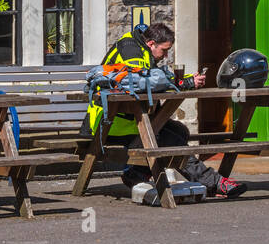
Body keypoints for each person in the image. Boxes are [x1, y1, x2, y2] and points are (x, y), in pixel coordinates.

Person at [85, 22, 247, 198]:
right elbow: (147, 83)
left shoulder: (142, 48)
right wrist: (184, 83)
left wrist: (185, 80)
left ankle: (136, 174)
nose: (165, 55)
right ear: (151, 43)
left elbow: (157, 77)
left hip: (128, 121)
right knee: (169, 140)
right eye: (164, 50)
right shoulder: (131, 51)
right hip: (111, 125)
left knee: (179, 130)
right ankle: (214, 182)